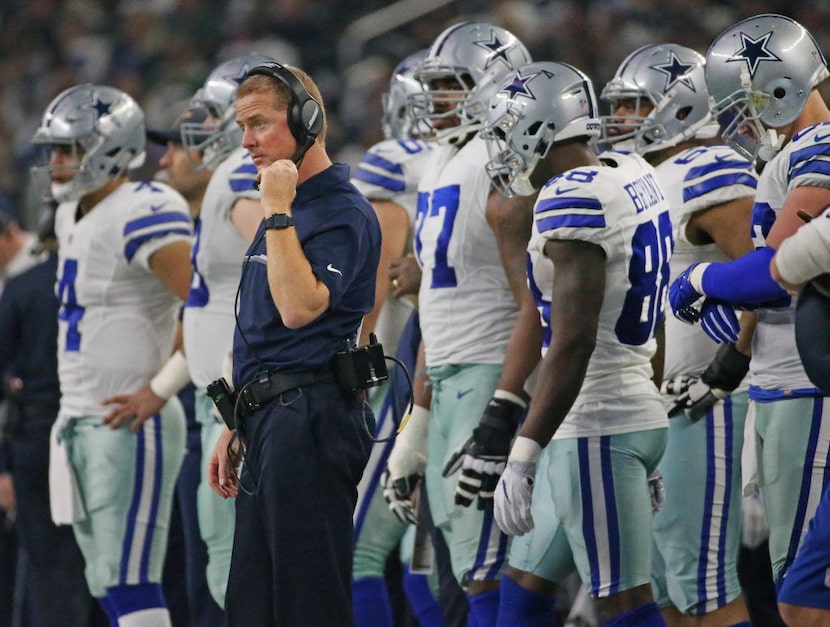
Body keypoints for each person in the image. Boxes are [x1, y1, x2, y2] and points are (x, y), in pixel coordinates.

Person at [482, 60, 672, 626]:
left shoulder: (574, 199)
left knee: (622, 603)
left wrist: (522, 452)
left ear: (536, 128)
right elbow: (646, 313)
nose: (499, 149)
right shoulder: (629, 170)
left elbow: (571, 342)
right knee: (522, 586)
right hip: (622, 410)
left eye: (503, 132)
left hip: (596, 422)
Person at [665, 14, 830, 624]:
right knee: (792, 585)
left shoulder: (820, 148)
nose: (740, 120)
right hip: (781, 384)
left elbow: (778, 272)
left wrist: (701, 280)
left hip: (810, 390)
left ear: (778, 87)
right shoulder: (791, 153)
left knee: (805, 597)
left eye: (745, 103)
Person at [207, 61, 381, 625]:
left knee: (307, 601)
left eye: (259, 123)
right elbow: (265, 332)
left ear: (306, 120)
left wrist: (278, 209)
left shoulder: (339, 209)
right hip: (271, 416)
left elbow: (299, 307)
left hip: (310, 418)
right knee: (253, 605)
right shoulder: (288, 204)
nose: (246, 141)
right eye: (242, 126)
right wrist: (240, 415)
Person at [381, 21, 535, 627]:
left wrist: (504, 405)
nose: (433, 100)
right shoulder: (444, 159)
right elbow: (434, 316)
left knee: (487, 573)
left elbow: (535, 302)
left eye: (449, 86)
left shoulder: (504, 160)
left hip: (493, 371)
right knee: (459, 570)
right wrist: (416, 425)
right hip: (446, 378)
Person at [600, 43, 758, 626]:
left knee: (702, 578)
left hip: (705, 398)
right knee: (664, 581)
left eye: (633, 106)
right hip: (652, 402)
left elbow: (770, 274)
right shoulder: (642, 176)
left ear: (684, 108)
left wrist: (731, 363)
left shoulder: (708, 168)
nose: (620, 120)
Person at [30, 83, 193, 626]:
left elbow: (211, 309)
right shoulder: (69, 213)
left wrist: (161, 387)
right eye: (52, 150)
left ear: (112, 149)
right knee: (105, 579)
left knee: (132, 578)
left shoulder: (146, 208)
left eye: (68, 149)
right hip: (80, 416)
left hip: (132, 419)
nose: (55, 163)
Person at [348, 49, 448, 627]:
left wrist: (358, 358)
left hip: (412, 362)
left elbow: (379, 271)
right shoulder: (478, 158)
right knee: (430, 556)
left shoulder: (393, 160)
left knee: (363, 549)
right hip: (474, 354)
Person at [145, 101, 225, 626]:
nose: (164, 160)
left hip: (231, 407)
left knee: (223, 578)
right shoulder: (193, 228)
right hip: (200, 406)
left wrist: (156, 390)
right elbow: (192, 321)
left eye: (178, 146)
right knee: (198, 582)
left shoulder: (239, 212)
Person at [0, 205, 99, 627]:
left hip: (38, 433)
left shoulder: (24, 287)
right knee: (105, 558)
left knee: (47, 561)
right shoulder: (107, 279)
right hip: (105, 423)